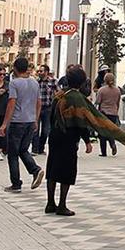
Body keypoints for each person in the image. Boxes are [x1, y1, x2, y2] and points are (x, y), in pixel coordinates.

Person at [45, 67, 93, 216]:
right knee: (67, 171)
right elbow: (81, 121)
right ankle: (62, 205)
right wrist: (87, 141)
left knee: (52, 168)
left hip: (55, 135)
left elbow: (51, 117)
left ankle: (50, 202)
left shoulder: (59, 95)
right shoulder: (78, 99)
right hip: (69, 138)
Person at [1, 57, 44, 192]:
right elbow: (38, 103)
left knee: (13, 154)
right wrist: (36, 120)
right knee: (23, 149)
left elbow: (11, 103)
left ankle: (16, 183)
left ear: (15, 68)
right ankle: (35, 170)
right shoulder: (34, 83)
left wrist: (4, 124)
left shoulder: (14, 83)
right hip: (30, 120)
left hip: (17, 121)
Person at [93, 72, 122, 155]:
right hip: (113, 113)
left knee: (102, 132)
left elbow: (98, 102)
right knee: (110, 130)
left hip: (103, 113)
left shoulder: (102, 90)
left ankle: (103, 152)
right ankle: (112, 143)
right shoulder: (117, 90)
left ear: (105, 80)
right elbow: (117, 102)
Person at [34, 66, 57, 154]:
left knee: (45, 130)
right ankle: (35, 149)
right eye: (39, 71)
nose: (39, 72)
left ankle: (41, 148)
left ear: (46, 72)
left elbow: (58, 93)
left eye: (41, 71)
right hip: (36, 107)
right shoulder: (36, 82)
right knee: (35, 129)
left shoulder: (53, 82)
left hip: (47, 108)